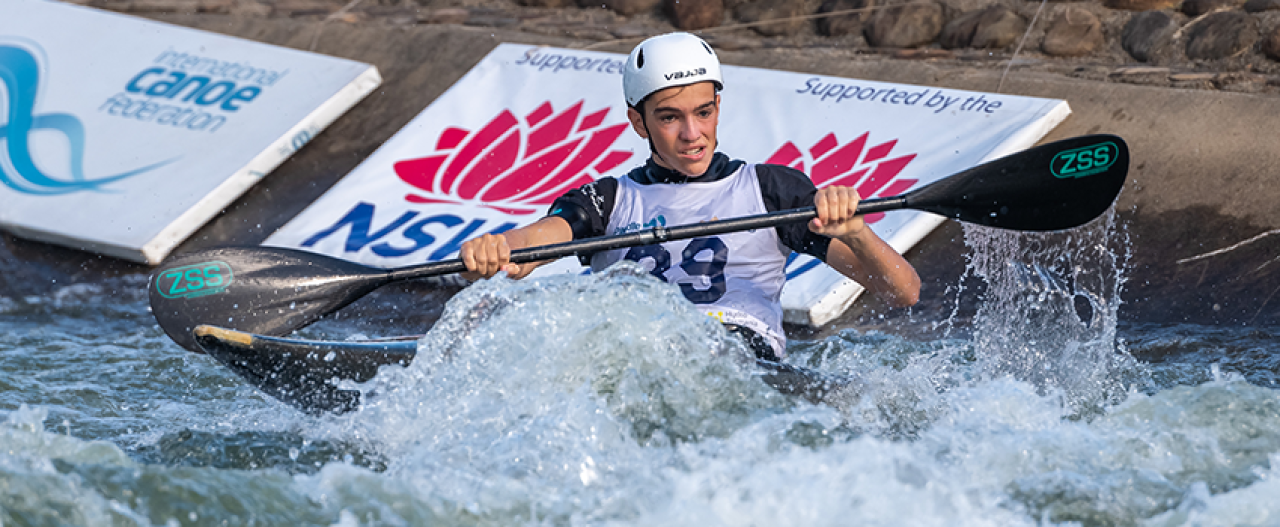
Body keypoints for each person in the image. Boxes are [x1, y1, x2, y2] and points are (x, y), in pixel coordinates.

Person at [459, 32, 919, 361]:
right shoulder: (608, 199)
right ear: (638, 123)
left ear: (718, 106)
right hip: (634, 355)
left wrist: (858, 235)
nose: (692, 134)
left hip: (739, 353)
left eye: (703, 112)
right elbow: (530, 248)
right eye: (669, 118)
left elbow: (903, 291)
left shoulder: (772, 190)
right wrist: (497, 250)